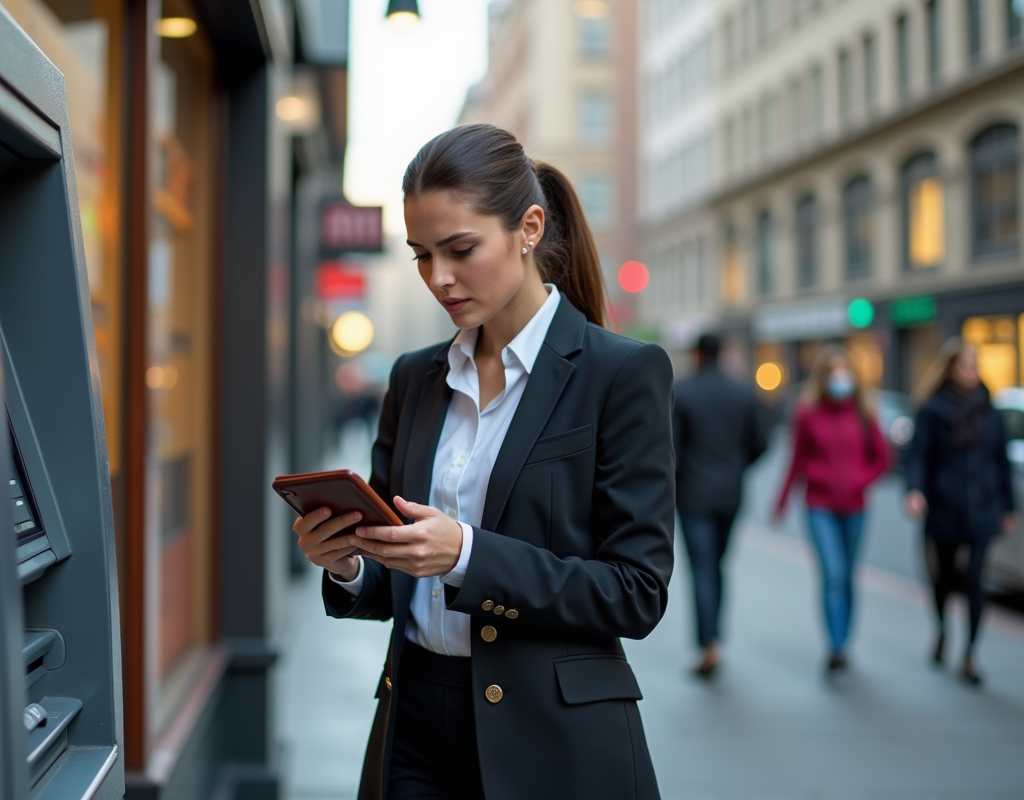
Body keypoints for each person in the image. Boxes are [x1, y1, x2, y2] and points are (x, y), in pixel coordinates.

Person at [292, 124, 674, 800]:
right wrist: (348, 562)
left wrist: (465, 554)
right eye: (420, 255)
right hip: (412, 724)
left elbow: (636, 591)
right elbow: (392, 569)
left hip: (555, 739)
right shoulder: (414, 378)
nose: (439, 277)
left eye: (460, 249)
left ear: (528, 228)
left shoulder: (620, 373)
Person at [904, 338, 1016, 686]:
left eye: (975, 365)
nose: (971, 372)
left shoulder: (990, 411)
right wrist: (915, 491)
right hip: (944, 506)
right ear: (950, 369)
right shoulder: (933, 411)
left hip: (983, 506)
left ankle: (970, 654)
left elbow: (1002, 460)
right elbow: (918, 456)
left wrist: (1008, 506)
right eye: (965, 365)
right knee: (944, 578)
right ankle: (941, 629)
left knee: (974, 580)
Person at [774, 345, 888, 674]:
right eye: (834, 372)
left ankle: (846, 637)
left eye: (845, 372)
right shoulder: (807, 412)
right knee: (833, 574)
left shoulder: (864, 411)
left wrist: (860, 480)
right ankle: (835, 645)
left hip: (856, 507)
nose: (841, 379)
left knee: (849, 576)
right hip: (819, 505)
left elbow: (881, 458)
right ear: (823, 377)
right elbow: (795, 460)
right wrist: (781, 501)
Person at [673, 333, 768, 678]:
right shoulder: (742, 392)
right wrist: (736, 467)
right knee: (718, 565)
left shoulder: (682, 392)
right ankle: (715, 640)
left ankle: (708, 644)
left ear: (698, 354)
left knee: (701, 567)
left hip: (693, 495)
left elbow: (672, 451)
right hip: (730, 494)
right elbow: (761, 442)